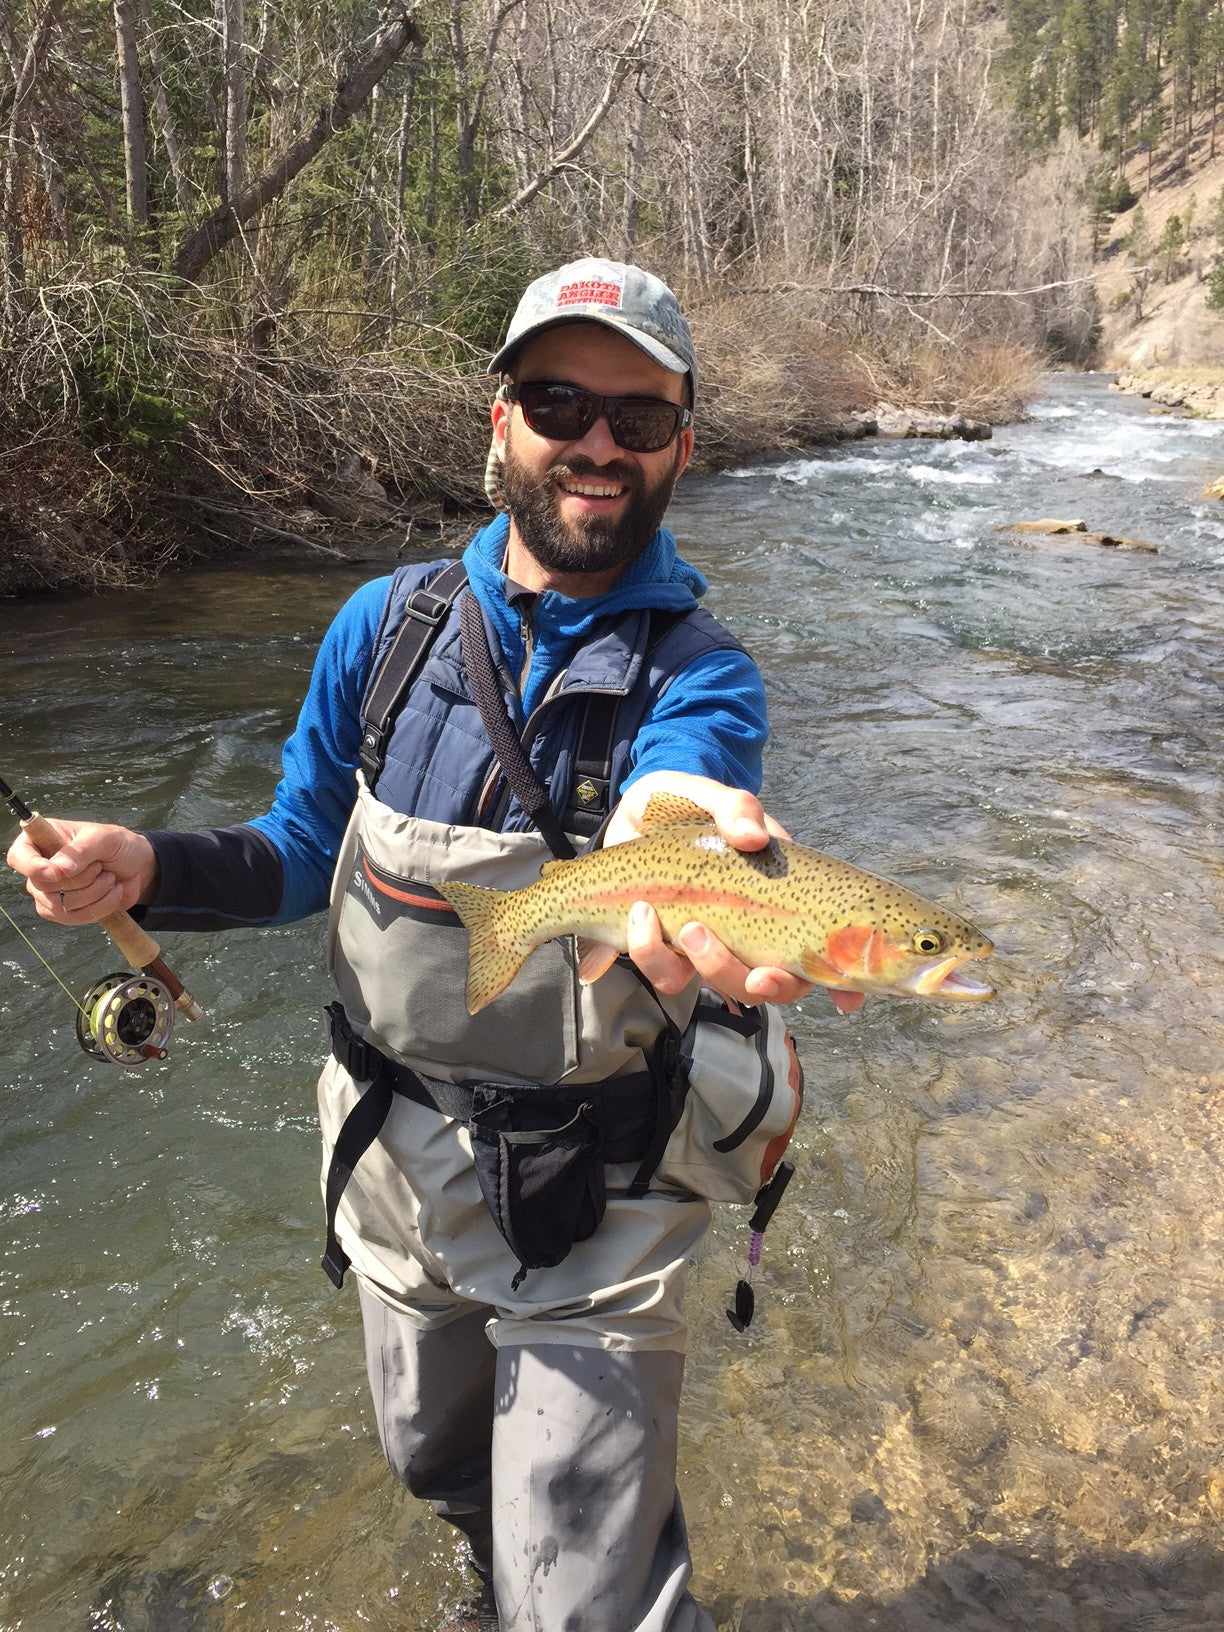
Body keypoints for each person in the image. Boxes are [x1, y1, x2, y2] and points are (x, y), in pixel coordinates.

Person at [7, 258, 825, 1632]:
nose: (597, 445)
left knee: (589, 1597)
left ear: (683, 445)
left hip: (601, 1186)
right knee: (434, 1466)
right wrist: (146, 866)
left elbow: (678, 794)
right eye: (562, 400)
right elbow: (293, 849)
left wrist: (675, 841)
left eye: (639, 418)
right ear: (496, 419)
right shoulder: (382, 631)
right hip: (395, 1160)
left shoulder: (702, 673)